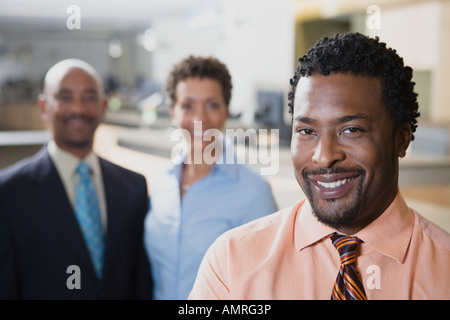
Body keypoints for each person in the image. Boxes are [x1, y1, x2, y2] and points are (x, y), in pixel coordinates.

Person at [188, 33, 450, 300]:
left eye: (351, 130)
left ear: (401, 140)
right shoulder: (231, 264)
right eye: (306, 131)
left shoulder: (445, 271)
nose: (324, 157)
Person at [0, 59, 152, 299]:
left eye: (89, 98)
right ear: (43, 106)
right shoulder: (8, 193)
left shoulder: (134, 187)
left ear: (103, 106)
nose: (78, 109)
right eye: (65, 97)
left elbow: (141, 281)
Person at [143, 55, 278, 300]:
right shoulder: (160, 183)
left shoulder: (255, 192)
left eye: (212, 105)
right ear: (173, 111)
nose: (200, 118)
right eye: (188, 105)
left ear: (226, 110)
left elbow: (269, 289)